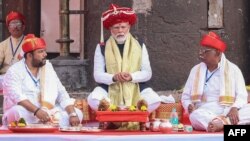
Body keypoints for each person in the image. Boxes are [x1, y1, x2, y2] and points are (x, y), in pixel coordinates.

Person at [87, 4, 161, 114]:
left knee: (154, 100)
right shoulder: (102, 46)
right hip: (110, 86)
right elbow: (97, 75)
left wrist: (132, 76)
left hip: (135, 85)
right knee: (93, 100)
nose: (120, 31)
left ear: (129, 27)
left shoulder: (139, 45)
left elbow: (147, 73)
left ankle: (122, 114)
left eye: (123, 27)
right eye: (116, 27)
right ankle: (127, 113)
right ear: (110, 29)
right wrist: (114, 77)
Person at [2, 34, 83, 127]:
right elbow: (17, 97)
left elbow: (61, 92)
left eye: (44, 51)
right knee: (17, 112)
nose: (45, 54)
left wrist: (72, 114)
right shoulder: (14, 71)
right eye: (40, 52)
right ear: (29, 56)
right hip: (28, 112)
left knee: (78, 113)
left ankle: (46, 123)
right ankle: (50, 124)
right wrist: (37, 111)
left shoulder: (47, 67)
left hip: (47, 111)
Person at [181, 32, 250, 132]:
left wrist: (235, 107)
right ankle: (222, 123)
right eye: (201, 50)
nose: (201, 53)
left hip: (228, 111)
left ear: (217, 52)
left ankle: (220, 123)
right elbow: (185, 96)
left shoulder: (233, 69)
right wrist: (189, 105)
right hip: (205, 112)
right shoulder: (195, 70)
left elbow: (242, 96)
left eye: (206, 51)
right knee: (195, 116)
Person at [0, 11, 26, 91]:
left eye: (18, 23)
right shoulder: (2, 45)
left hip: (23, 77)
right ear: (8, 28)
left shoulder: (30, 42)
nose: (15, 27)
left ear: (23, 27)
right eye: (12, 24)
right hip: (6, 77)